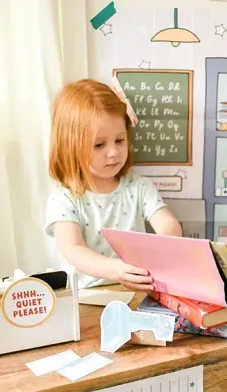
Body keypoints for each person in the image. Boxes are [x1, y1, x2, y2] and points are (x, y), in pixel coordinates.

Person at [44, 78, 182, 292]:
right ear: (70, 147)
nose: (113, 152)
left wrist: (159, 251)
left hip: (138, 290)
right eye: (99, 145)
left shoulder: (139, 187)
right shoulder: (64, 198)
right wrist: (116, 269)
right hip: (86, 297)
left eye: (120, 140)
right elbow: (73, 249)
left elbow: (169, 224)